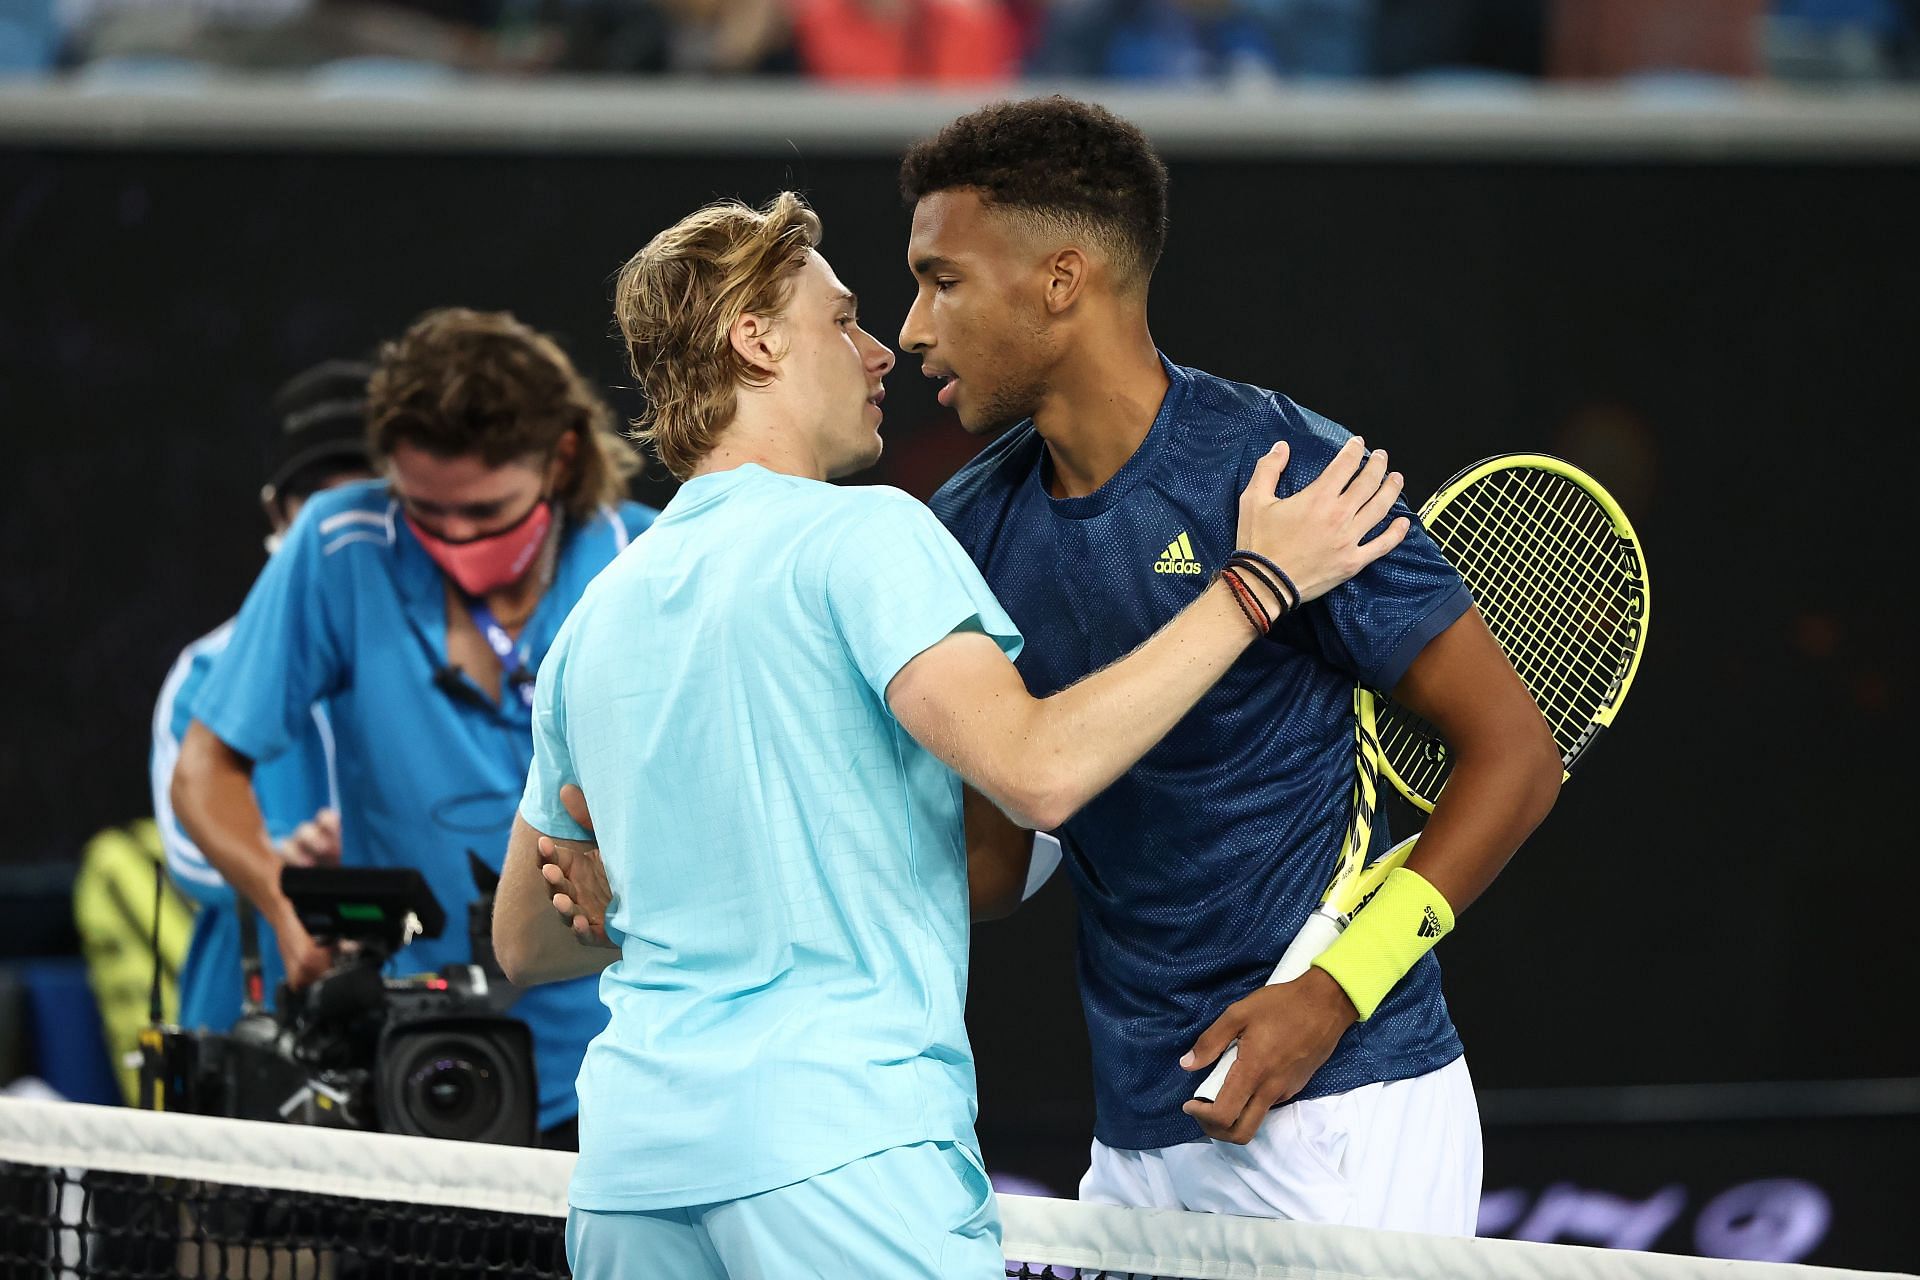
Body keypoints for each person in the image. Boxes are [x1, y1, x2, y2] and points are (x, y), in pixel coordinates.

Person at [490, 192, 1408, 1277]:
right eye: (842, 320)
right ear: (757, 340)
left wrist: (654, 883)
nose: (882, 350)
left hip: (632, 1175)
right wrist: (1255, 586)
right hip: (840, 1159)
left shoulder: (598, 610)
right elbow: (1041, 774)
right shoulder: (870, 533)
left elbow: (525, 942)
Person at [898, 97, 1562, 1232]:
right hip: (1142, 1134)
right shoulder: (965, 526)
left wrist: (1333, 990)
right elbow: (994, 857)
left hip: (1347, 1101)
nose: (913, 328)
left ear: (1062, 281)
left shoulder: (1284, 468)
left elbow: (1517, 754)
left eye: (942, 280)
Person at [171, 308, 652, 1147]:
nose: (455, 539)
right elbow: (203, 772)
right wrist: (285, 908)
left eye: (489, 512)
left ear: (561, 457)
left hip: (619, 1068)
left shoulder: (649, 566)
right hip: (399, 1070)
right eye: (428, 513)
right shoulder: (338, 545)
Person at [151, 359, 376, 1034]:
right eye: (317, 506)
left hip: (413, 1022)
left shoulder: (445, 662)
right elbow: (188, 854)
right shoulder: (207, 669)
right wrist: (284, 863)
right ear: (278, 513)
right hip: (249, 1024)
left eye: (363, 502)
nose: (334, 534)